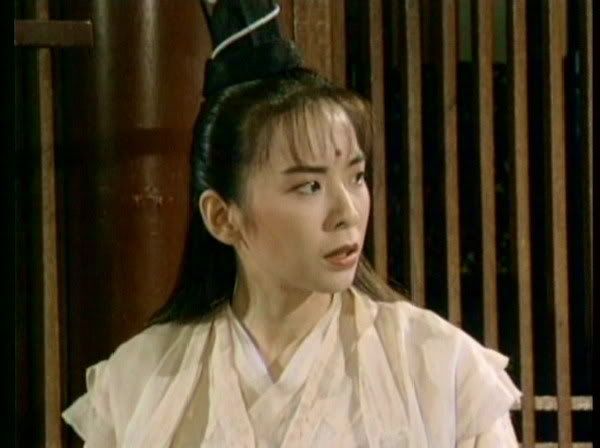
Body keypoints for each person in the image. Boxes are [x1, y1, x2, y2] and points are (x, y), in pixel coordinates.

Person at [63, 1, 521, 446]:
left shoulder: (439, 368)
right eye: (309, 186)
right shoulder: (140, 382)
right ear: (223, 218)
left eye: (356, 176)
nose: (347, 212)